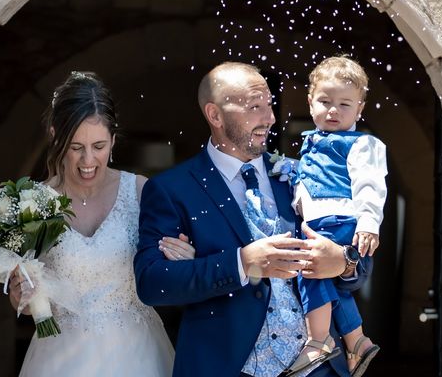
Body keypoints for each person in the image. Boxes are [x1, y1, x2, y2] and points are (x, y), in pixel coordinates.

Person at [134, 61, 371, 377]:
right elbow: (153, 283)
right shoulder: (172, 189)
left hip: (318, 369)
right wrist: (241, 263)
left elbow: (361, 263)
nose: (270, 118)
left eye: (270, 105)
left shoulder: (301, 176)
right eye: (254, 107)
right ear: (215, 115)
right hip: (226, 366)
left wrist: (342, 262)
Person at [8, 71, 194, 376]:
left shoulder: (140, 192)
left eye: (98, 146)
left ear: (113, 140)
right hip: (60, 358)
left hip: (139, 355)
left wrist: (183, 260)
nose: (88, 160)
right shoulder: (35, 202)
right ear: (55, 136)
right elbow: (31, 302)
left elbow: (166, 276)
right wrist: (21, 298)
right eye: (76, 147)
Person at [287, 56, 386, 377]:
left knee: (310, 272)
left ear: (360, 108)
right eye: (325, 101)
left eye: (345, 104)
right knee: (334, 288)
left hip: (339, 221)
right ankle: (357, 341)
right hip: (319, 222)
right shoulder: (311, 144)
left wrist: (370, 222)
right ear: (310, 101)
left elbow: (370, 184)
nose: (333, 110)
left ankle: (319, 341)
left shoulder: (362, 144)